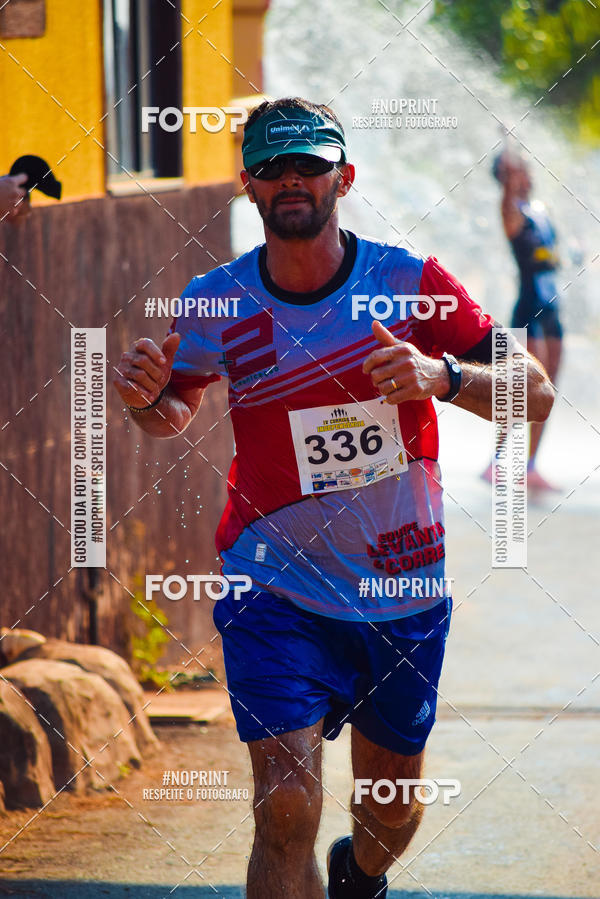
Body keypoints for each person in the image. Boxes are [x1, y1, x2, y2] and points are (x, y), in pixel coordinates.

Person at [115, 97, 554, 898]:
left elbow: (537, 392)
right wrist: (145, 399)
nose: (292, 179)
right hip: (272, 584)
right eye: (273, 166)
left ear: (342, 177)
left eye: (309, 165)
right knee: (284, 804)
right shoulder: (217, 299)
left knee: (391, 811)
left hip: (400, 587)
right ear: (247, 183)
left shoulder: (411, 282)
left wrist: (443, 377)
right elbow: (171, 411)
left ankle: (362, 872)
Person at [484, 151, 562, 490]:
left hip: (554, 308)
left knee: (551, 388)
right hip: (529, 308)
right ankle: (497, 459)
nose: (526, 174)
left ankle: (530, 465)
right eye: (517, 172)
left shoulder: (540, 212)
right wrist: (510, 177)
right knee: (526, 387)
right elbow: (509, 201)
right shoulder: (511, 212)